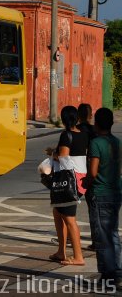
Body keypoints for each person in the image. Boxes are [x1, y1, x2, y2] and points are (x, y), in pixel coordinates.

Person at [83, 108, 122, 286]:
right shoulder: (117, 142)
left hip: (100, 193)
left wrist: (87, 183)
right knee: (113, 233)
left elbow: (92, 171)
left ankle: (107, 276)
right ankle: (117, 269)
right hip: (116, 192)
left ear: (96, 124)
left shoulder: (96, 143)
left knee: (102, 236)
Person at [46, 105, 89, 265]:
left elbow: (63, 157)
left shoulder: (66, 135)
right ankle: (61, 251)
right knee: (58, 213)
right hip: (80, 177)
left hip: (70, 181)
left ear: (63, 120)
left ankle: (78, 256)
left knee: (69, 218)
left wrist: (52, 154)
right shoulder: (83, 134)